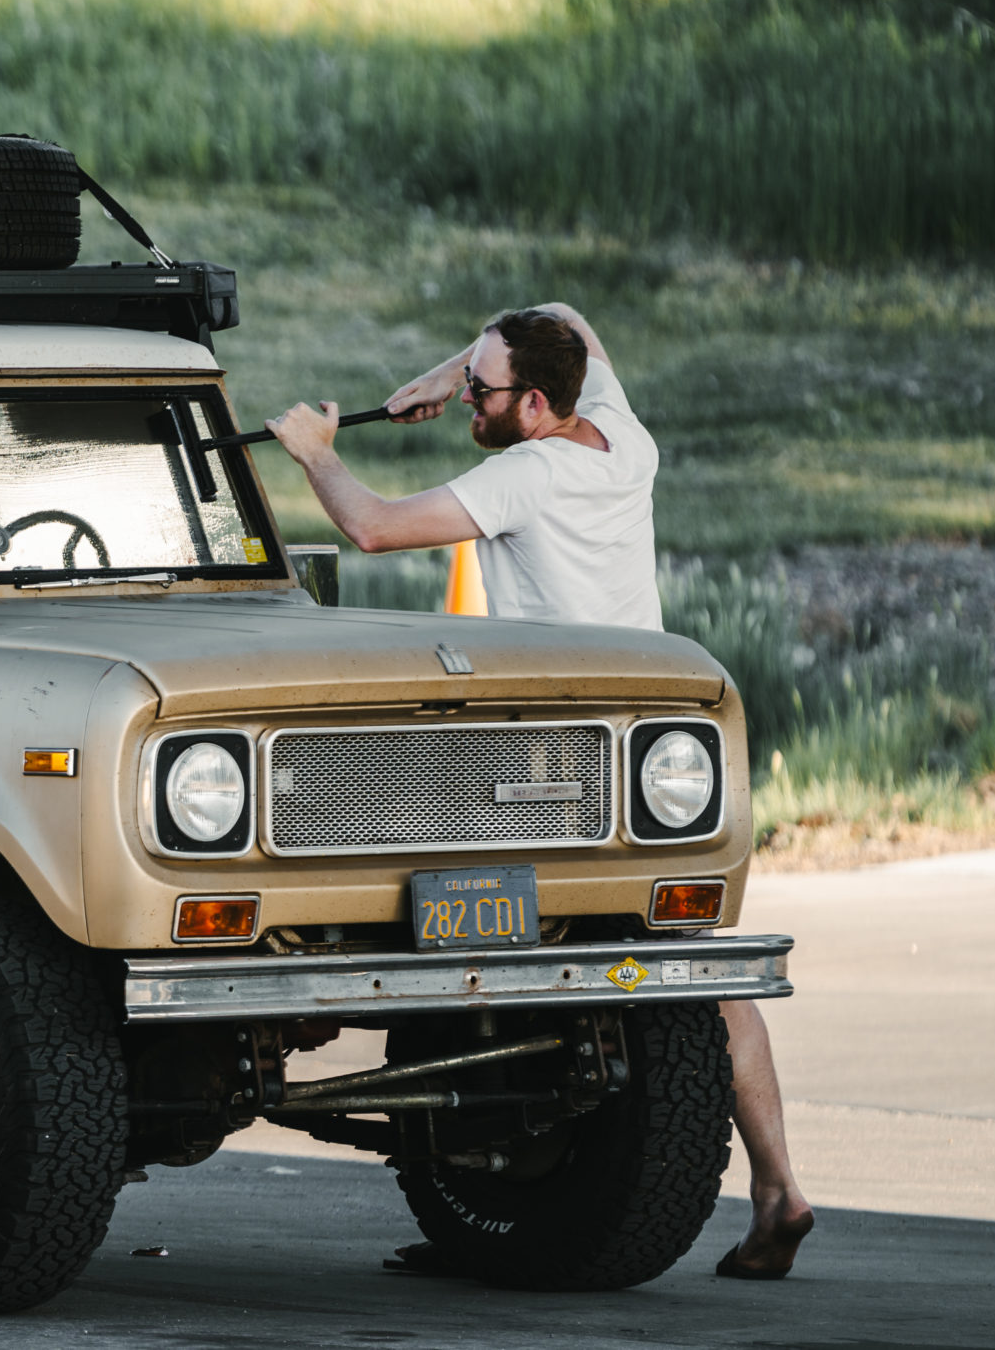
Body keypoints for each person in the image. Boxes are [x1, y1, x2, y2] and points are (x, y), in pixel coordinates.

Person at [264, 302, 817, 1281]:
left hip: (543, 770)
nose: (465, 398)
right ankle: (778, 1186)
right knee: (694, 975)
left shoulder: (527, 475)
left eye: (481, 390)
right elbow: (561, 313)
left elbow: (374, 525)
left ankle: (299, 1029)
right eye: (467, 381)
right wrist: (444, 374)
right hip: (640, 756)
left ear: (533, 406)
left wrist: (313, 449)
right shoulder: (619, 432)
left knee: (391, 906)